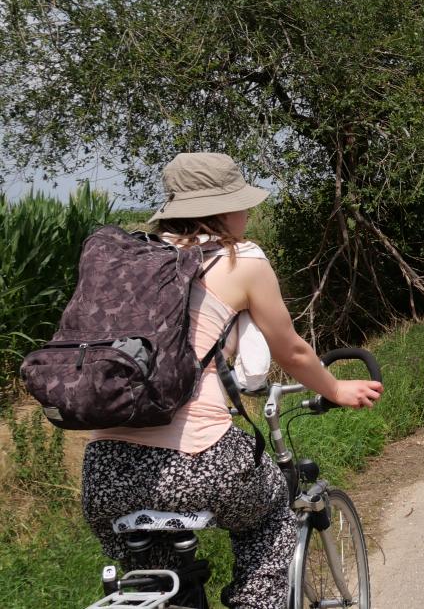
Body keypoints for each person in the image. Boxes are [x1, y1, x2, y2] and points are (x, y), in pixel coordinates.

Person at [81, 152, 383, 609]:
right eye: (243, 204)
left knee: (162, 578)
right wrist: (337, 388)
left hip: (104, 472)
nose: (249, 213)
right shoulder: (241, 259)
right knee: (275, 513)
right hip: (200, 460)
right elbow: (293, 350)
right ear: (222, 210)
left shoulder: (129, 262)